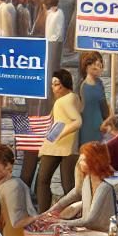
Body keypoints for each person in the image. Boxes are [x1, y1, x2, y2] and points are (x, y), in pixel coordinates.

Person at [35, 68, 82, 215]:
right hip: (68, 146)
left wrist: (60, 134)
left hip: (57, 145)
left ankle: (43, 214)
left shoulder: (62, 101)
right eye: (52, 84)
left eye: (56, 84)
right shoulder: (74, 98)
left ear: (64, 85)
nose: (53, 87)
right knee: (69, 185)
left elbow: (77, 121)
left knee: (42, 181)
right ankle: (73, 214)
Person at [77, 52, 109, 145]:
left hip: (99, 126)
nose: (99, 69)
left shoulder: (99, 83)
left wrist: (106, 121)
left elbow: (104, 106)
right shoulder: (82, 86)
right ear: (87, 67)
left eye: (100, 66)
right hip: (85, 128)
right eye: (96, 66)